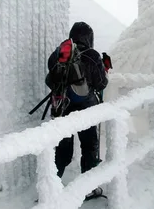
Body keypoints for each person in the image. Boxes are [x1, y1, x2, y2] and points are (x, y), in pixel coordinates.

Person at [45, 22, 109, 198]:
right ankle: (89, 188)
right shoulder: (92, 55)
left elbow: (51, 79)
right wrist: (102, 69)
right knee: (89, 146)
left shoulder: (59, 52)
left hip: (62, 109)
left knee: (62, 150)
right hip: (85, 111)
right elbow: (101, 83)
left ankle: (51, 190)